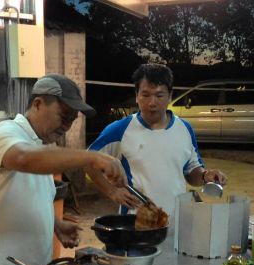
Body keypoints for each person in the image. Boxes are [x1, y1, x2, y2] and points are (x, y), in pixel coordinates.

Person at [0, 73, 125, 265]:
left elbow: (28, 196)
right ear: (37, 104)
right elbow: (23, 158)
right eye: (63, 116)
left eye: (72, 119)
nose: (67, 126)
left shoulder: (44, 148)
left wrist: (55, 224)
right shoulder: (4, 132)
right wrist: (91, 157)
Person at [88, 63, 227, 218]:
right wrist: (112, 192)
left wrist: (204, 175)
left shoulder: (184, 129)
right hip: (136, 225)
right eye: (145, 95)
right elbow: (88, 161)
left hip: (175, 221)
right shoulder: (120, 130)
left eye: (159, 95)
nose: (152, 102)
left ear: (170, 96)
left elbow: (191, 172)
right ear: (136, 95)